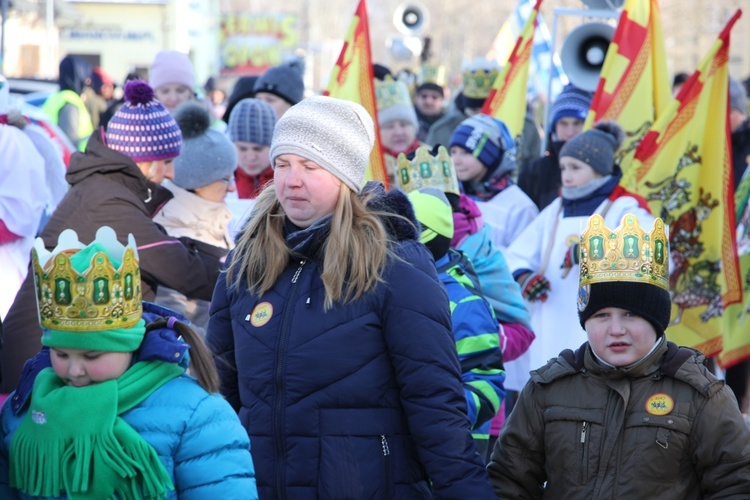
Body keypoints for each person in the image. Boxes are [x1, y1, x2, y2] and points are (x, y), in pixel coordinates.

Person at [206, 95, 495, 498]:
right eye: (283, 164)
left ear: (344, 175)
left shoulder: (394, 262)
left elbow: (435, 405)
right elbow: (218, 394)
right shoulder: (247, 259)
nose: (291, 180)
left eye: (310, 166)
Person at [488, 213, 750, 497]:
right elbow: (508, 481)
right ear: (585, 321)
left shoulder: (700, 395)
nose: (616, 329)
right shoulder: (548, 389)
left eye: (631, 314)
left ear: (656, 319)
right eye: (601, 315)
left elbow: (735, 485)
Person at [0, 80, 226, 394]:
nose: (172, 173)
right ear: (143, 160)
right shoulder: (106, 201)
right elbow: (185, 271)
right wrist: (248, 272)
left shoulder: (105, 189)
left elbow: (166, 245)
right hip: (40, 374)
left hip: (57, 363)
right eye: (168, 162)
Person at [0, 226, 257, 498]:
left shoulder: (197, 415)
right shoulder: (25, 408)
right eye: (61, 354)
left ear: (130, 344)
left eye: (92, 356)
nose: (74, 370)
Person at [503, 121, 654, 393]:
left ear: (599, 170)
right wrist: (524, 276)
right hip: (550, 312)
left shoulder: (623, 206)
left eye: (575, 168)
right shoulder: (557, 208)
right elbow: (517, 252)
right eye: (563, 168)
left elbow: (645, 245)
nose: (566, 176)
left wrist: (588, 249)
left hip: (599, 315)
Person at [407, 187, 506, 460]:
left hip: (456, 450)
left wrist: (440, 421)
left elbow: (486, 382)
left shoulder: (464, 303)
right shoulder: (401, 287)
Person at [153, 102, 238, 336]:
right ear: (198, 183)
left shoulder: (213, 218)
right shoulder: (170, 232)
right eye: (226, 179)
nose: (232, 188)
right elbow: (172, 320)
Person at [449, 114, 538, 251]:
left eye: (466, 152)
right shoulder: (452, 197)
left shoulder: (520, 207)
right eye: (453, 152)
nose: (456, 160)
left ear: (489, 157)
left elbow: (522, 260)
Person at [517, 84, 594, 211]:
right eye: (563, 123)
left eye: (577, 123)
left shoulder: (599, 167)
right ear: (554, 127)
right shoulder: (534, 171)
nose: (570, 131)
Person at [227, 97, 277, 199]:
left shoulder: (285, 180)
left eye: (258, 149)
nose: (251, 157)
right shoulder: (222, 180)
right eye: (242, 148)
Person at [41, 55, 94, 151]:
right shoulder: (70, 103)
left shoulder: (57, 97)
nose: (87, 82)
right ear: (77, 75)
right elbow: (69, 145)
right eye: (85, 76)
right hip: (73, 163)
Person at [375, 75, 422, 183]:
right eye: (389, 126)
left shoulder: (431, 155)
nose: (398, 132)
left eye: (404, 124)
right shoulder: (370, 165)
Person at [413, 64, 447, 142]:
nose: (429, 101)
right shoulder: (406, 124)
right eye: (424, 96)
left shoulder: (448, 125)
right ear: (416, 97)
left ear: (442, 100)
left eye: (434, 97)